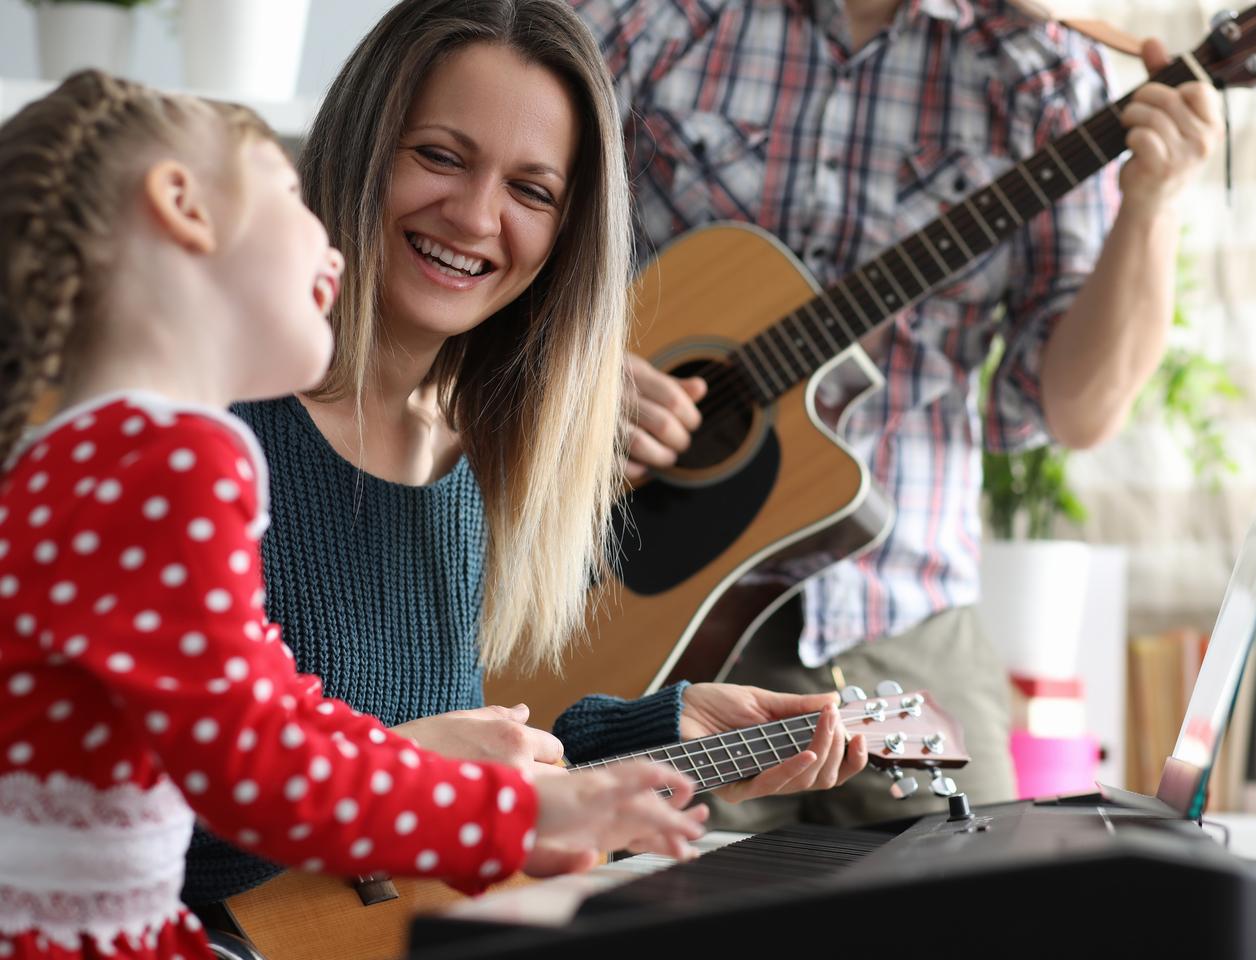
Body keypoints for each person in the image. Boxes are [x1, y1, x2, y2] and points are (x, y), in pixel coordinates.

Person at [0, 69, 711, 960]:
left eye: (531, 190)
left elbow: (285, 715)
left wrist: (544, 791)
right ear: (183, 205)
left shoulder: (78, 452)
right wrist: (504, 818)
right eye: (291, 197)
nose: (330, 251)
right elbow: (257, 766)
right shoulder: (181, 457)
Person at [183, 0, 869, 910]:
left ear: (567, 238)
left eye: (532, 192)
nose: (474, 217)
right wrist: (397, 763)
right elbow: (127, 808)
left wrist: (673, 733)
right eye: (439, 156)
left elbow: (454, 787)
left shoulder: (469, 465)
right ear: (357, 145)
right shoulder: (207, 422)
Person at [572, 0, 1223, 829]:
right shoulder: (641, 16)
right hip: (635, 609)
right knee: (645, 919)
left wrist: (1153, 205)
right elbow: (495, 251)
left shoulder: (1041, 68)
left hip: (905, 625)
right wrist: (577, 377)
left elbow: (1078, 412)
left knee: (979, 907)